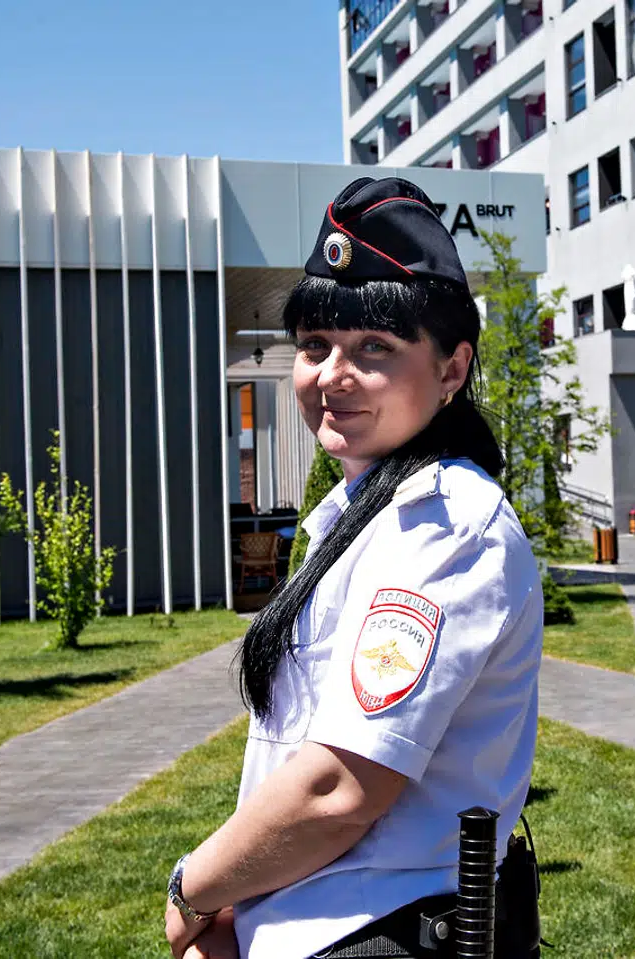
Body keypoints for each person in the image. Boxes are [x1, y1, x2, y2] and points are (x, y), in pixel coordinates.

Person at [164, 176, 544, 959]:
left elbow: (339, 789)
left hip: (379, 936)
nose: (332, 375)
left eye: (374, 347)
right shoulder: (364, 513)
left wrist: (193, 890)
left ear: (451, 369)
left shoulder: (443, 527)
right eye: (314, 346)